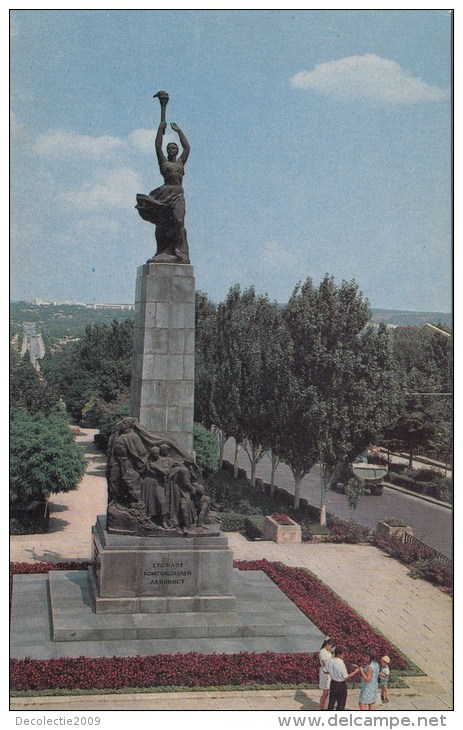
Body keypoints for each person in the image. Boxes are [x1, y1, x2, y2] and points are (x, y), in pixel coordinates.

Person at [136, 120, 190, 263]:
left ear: (177, 151)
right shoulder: (164, 163)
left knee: (179, 221)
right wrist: (161, 128)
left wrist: (179, 131)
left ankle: (179, 252)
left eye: (174, 148)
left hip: (178, 194)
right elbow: (157, 145)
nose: (171, 150)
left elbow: (187, 147)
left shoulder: (180, 163)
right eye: (169, 148)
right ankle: (162, 251)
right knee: (163, 224)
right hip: (165, 194)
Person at [325, 646, 360, 711]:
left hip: (333, 682)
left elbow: (325, 671)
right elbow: (346, 676)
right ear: (338, 654)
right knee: (341, 703)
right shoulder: (340, 663)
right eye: (343, 654)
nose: (344, 656)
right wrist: (355, 671)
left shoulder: (329, 660)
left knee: (331, 702)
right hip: (340, 684)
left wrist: (333, 673)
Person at [318, 638, 335, 710]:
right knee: (325, 691)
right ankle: (321, 707)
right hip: (325, 672)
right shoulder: (322, 651)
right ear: (328, 644)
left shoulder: (329, 652)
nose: (331, 648)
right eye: (331, 646)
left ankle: (324, 706)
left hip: (330, 672)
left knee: (328, 691)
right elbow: (325, 663)